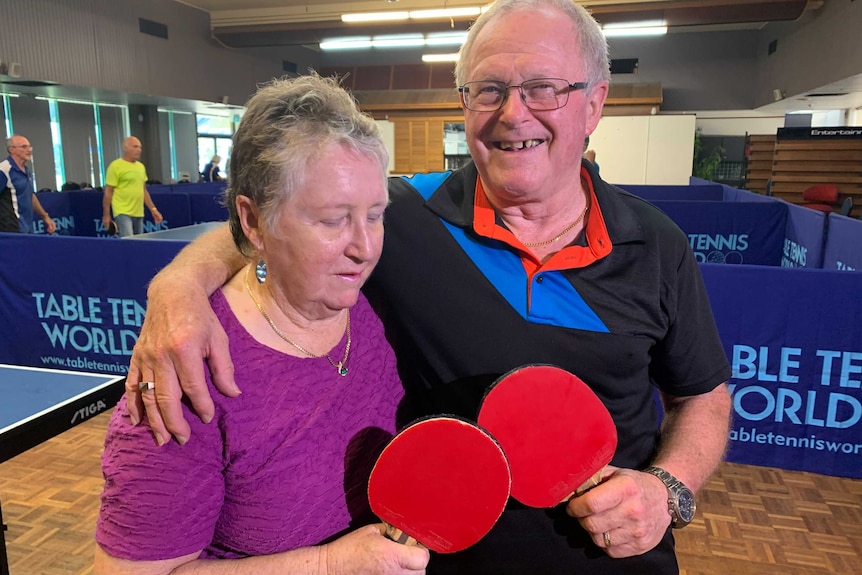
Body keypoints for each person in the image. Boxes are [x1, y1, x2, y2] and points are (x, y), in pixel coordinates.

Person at [127, 0, 732, 573]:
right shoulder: (399, 216)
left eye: (543, 88)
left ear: (594, 103)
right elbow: (270, 225)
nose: (513, 113)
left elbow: (701, 397)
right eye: (488, 89)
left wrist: (668, 488)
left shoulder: (657, 244)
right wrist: (177, 287)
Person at [94, 74, 429, 575]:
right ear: (253, 221)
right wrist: (327, 566)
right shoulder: (190, 372)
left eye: (376, 215)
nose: (365, 247)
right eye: (333, 219)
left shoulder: (365, 296)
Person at [102, 137, 163, 237]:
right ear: (125, 148)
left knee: (138, 243)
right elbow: (108, 191)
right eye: (135, 147)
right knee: (129, 241)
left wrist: (153, 210)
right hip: (122, 211)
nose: (139, 150)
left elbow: (143, 190)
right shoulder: (115, 166)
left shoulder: (141, 167)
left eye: (140, 147)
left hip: (138, 211)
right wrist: (106, 215)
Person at [0, 135, 56, 234]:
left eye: (29, 147)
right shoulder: (4, 170)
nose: (29, 150)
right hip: (11, 229)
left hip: (27, 227)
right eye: (24, 147)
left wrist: (45, 216)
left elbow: (30, 195)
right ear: (12, 150)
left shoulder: (26, 171)